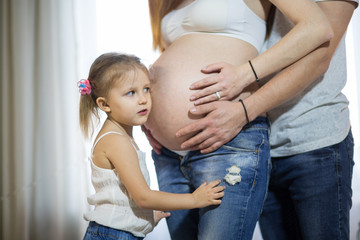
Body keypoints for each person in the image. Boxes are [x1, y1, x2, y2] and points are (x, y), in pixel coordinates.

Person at [142, 0, 333, 239]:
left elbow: (317, 27)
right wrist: (146, 111)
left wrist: (246, 73)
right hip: (168, 155)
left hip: (228, 140)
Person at [79, 52, 225, 240]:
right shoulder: (116, 141)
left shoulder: (120, 135)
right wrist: (195, 199)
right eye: (131, 92)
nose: (143, 99)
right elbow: (143, 197)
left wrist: (141, 217)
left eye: (146, 89)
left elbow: (121, 195)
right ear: (105, 104)